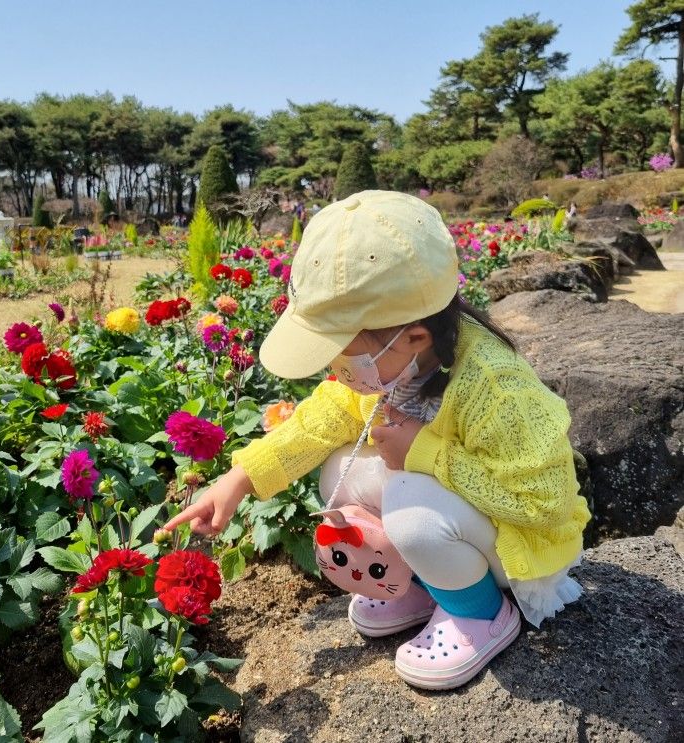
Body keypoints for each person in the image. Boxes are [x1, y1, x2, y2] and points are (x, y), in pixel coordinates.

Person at [165, 190, 591, 691]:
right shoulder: (392, 370)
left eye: (343, 355)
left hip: (518, 549)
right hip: (459, 529)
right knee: (340, 467)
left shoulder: (494, 387)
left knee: (411, 506)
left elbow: (544, 503)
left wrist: (423, 453)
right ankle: (426, 584)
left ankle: (479, 613)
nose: (335, 371)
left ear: (415, 337)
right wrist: (239, 478)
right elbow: (319, 422)